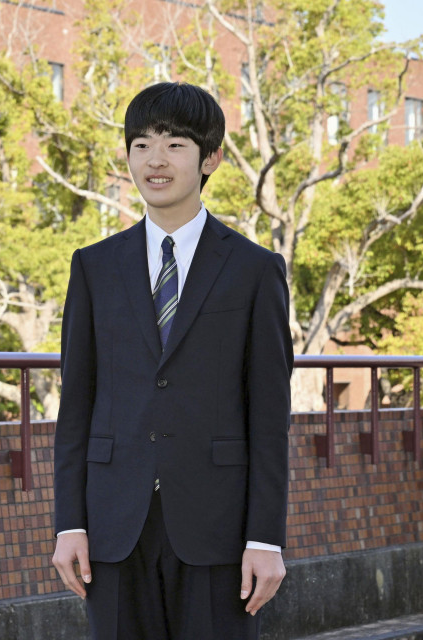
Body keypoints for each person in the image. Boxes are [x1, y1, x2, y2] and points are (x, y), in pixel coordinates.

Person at [51, 82, 294, 639]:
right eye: (141, 144)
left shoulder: (254, 271)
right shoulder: (93, 267)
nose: (155, 160)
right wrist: (70, 523)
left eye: (175, 145)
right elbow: (77, 408)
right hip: (112, 526)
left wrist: (265, 537)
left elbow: (269, 415)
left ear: (211, 158)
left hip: (218, 528)